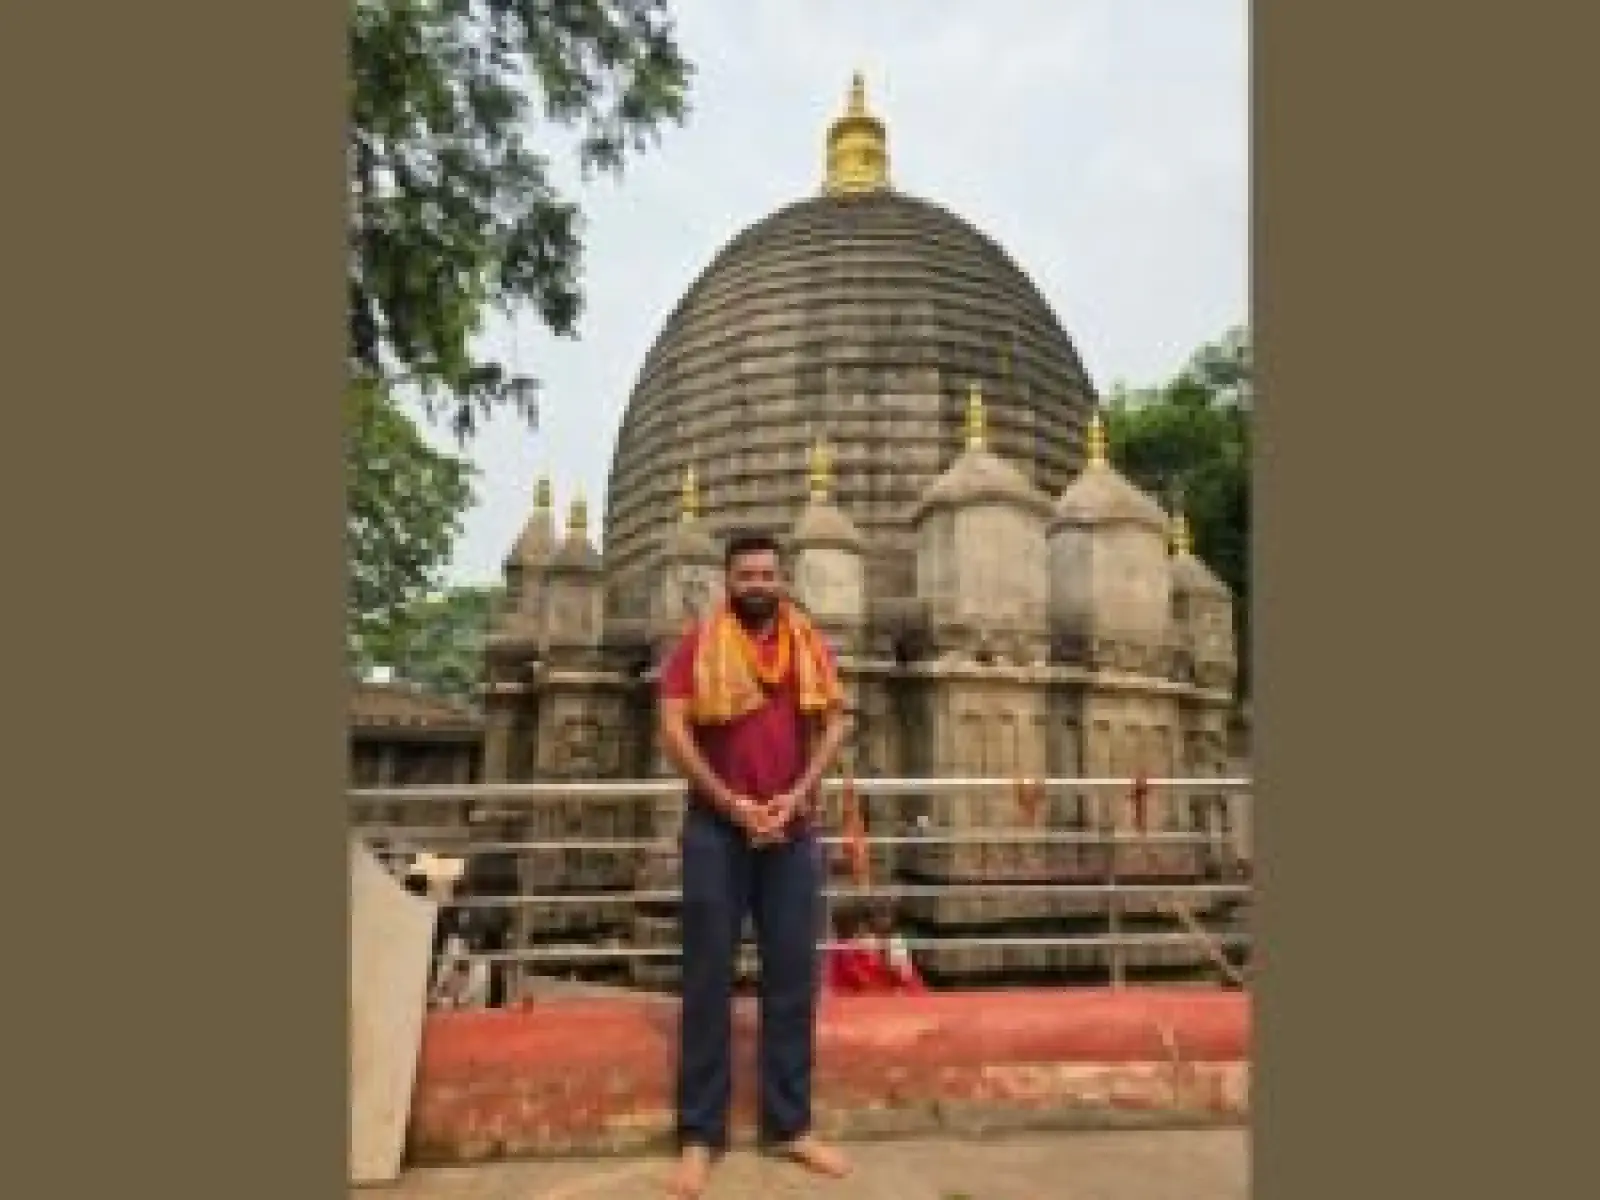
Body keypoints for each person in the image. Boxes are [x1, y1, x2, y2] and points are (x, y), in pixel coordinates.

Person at [657, 530, 853, 1197]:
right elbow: (674, 726)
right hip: (717, 828)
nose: (758, 584)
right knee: (707, 978)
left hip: (791, 831)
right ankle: (698, 1135)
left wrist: (794, 799)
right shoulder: (700, 644)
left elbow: (835, 723)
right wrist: (730, 801)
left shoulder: (807, 644)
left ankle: (791, 1125)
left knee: (793, 978)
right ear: (728, 581)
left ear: (782, 579)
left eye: (768, 574)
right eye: (746, 575)